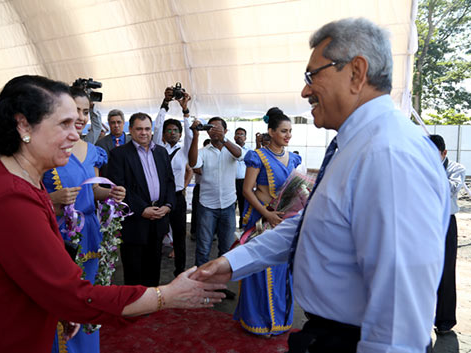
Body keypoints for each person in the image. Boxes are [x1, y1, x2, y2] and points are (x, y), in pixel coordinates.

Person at [191, 18, 450, 353]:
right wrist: (231, 263)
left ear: (356, 72)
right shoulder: (355, 146)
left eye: (313, 75)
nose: (305, 90)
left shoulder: (389, 154)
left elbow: (398, 313)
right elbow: (309, 224)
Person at [0, 75, 226, 353]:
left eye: (78, 121)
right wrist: (167, 295)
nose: (76, 134)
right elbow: (73, 294)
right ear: (23, 124)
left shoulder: (14, 175)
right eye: (64, 123)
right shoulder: (10, 197)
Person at [42, 86, 126, 353]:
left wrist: (110, 192)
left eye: (86, 111)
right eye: (75, 109)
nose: (80, 116)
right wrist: (53, 199)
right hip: (56, 232)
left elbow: (94, 190)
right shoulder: (45, 148)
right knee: (61, 298)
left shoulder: (92, 151)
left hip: (90, 231)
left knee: (88, 296)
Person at [234, 107, 301, 336]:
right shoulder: (258, 156)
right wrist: (267, 214)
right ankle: (258, 321)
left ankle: (280, 321)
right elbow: (247, 190)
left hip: (284, 220)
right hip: (262, 220)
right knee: (260, 268)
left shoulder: (293, 158)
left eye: (290, 131)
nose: (288, 135)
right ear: (270, 131)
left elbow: (296, 190)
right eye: (283, 131)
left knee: (282, 268)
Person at [107, 112, 176, 287]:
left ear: (152, 130)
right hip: (134, 221)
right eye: (139, 129)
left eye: (147, 129)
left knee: (154, 266)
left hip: (159, 217)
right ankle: (134, 306)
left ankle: (152, 301)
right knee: (134, 268)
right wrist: (141, 209)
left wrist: (168, 205)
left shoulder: (161, 152)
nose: (144, 133)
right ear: (130, 130)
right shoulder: (119, 154)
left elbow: (169, 181)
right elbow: (118, 187)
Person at [188, 117, 242, 275]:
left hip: (228, 205)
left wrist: (224, 139)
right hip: (207, 206)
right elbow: (193, 164)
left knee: (226, 249)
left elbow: (240, 155)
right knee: (203, 248)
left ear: (225, 131)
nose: (215, 131)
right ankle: (199, 285)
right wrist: (196, 135)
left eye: (219, 128)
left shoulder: (232, 149)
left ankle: (220, 284)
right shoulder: (204, 152)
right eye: (211, 128)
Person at [153, 87, 193, 277]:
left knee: (179, 237)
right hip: (160, 198)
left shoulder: (184, 150)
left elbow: (191, 135)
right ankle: (152, 274)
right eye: (168, 130)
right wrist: (165, 103)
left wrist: (185, 111)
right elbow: (157, 126)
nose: (172, 133)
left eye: (176, 130)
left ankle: (180, 272)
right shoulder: (158, 148)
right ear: (163, 134)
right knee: (156, 236)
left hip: (177, 198)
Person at [429, 134, 466, 335]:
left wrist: (429, 173)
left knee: (446, 270)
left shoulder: (456, 169)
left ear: (444, 153)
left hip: (445, 223)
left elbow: (450, 189)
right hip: (422, 221)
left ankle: (444, 320)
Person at [96, 109, 130, 178]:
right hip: (109, 183)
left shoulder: (133, 141)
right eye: (113, 123)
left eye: (119, 122)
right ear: (109, 124)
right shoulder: (100, 144)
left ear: (123, 123)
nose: (116, 125)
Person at [190, 138, 211, 240]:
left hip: (211, 186)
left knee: (210, 212)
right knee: (197, 211)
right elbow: (196, 168)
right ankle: (194, 232)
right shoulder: (198, 154)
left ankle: (210, 233)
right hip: (200, 186)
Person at [234, 127, 251, 229]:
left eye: (242, 134)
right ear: (234, 137)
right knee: (230, 206)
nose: (239, 136)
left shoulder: (250, 150)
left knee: (243, 206)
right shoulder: (228, 148)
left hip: (245, 182)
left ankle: (242, 228)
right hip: (231, 181)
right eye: (237, 134)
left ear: (245, 138)